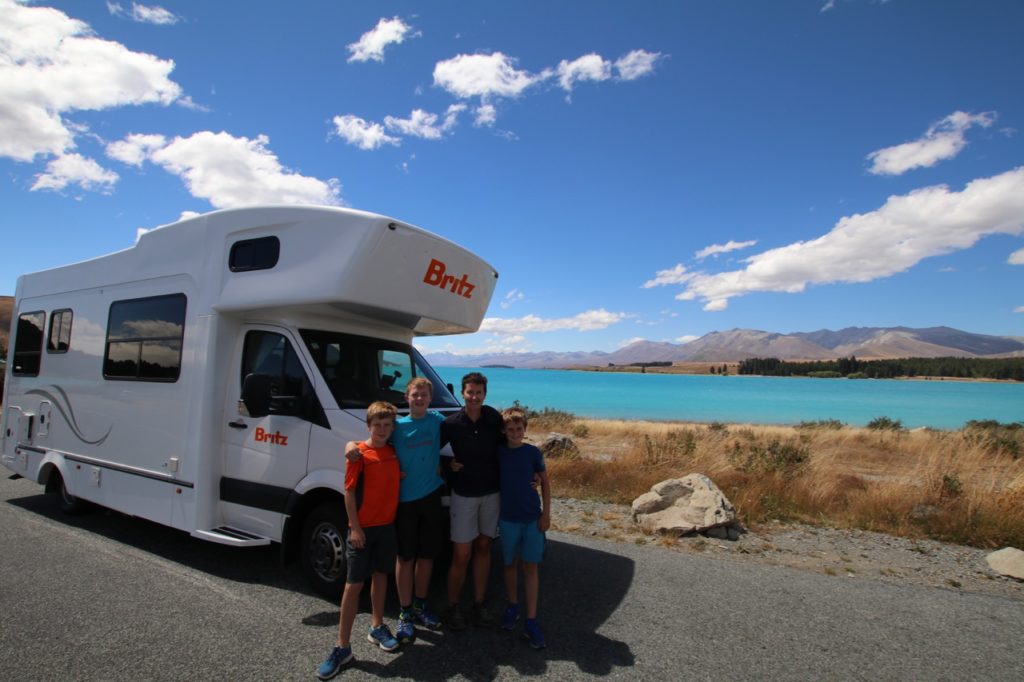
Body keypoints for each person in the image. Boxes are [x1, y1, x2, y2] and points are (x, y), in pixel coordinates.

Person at [345, 377, 446, 643]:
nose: (420, 398)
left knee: (426, 556)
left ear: (430, 397)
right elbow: (372, 440)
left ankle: (420, 606)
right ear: (407, 396)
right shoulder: (397, 426)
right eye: (415, 394)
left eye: (424, 394)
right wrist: (350, 446)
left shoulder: (437, 421)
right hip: (404, 502)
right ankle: (404, 613)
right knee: (405, 558)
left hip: (431, 496)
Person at [318, 402, 402, 681]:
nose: (381, 429)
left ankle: (377, 626)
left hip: (386, 528)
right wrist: (354, 528)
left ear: (392, 427)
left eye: (387, 425)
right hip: (362, 530)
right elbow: (349, 493)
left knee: (381, 577)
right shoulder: (358, 455)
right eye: (377, 425)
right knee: (353, 585)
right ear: (368, 426)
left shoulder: (392, 452)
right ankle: (342, 647)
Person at [442, 372, 504, 629]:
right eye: (470, 392)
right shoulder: (451, 423)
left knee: (483, 548)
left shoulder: (493, 419)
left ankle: (479, 603)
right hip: (464, 495)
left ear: (485, 394)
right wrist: (447, 464)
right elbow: (431, 449)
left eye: (479, 392)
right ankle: (453, 606)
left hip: (491, 494)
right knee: (461, 554)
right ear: (462, 393)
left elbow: (508, 446)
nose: (474, 397)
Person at [496, 406, 551, 649]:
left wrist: (546, 514)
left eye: (519, 428)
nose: (515, 432)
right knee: (509, 564)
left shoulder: (532, 452)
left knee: (530, 567)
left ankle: (531, 619)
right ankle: (512, 605)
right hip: (507, 518)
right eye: (510, 429)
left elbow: (546, 483)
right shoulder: (498, 453)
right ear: (504, 431)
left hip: (532, 518)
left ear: (525, 429)